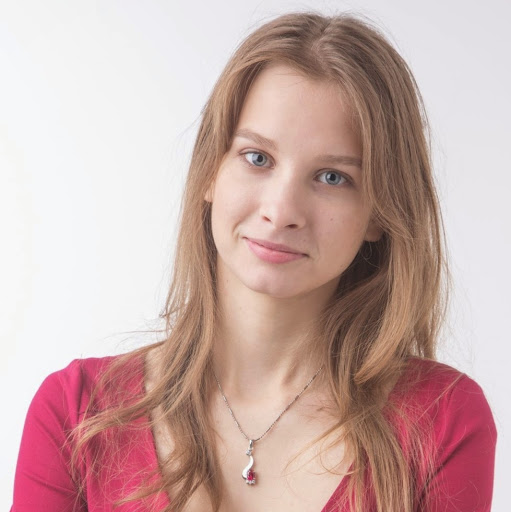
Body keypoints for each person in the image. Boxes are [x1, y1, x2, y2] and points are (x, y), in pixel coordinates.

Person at [11, 11, 496, 512]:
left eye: (332, 177)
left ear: (379, 211)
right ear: (210, 171)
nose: (281, 211)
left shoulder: (443, 421)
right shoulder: (77, 415)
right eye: (257, 158)